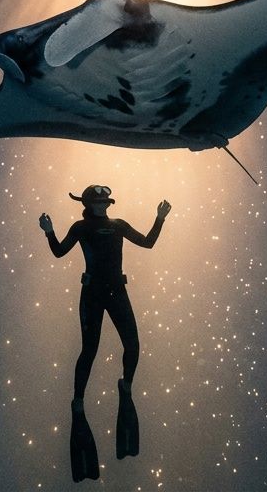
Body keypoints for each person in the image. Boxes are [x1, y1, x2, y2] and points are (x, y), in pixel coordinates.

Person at [39, 185, 172, 482]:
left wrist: (160, 217)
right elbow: (60, 252)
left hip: (116, 292)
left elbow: (148, 243)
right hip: (93, 293)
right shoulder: (81, 227)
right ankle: (78, 401)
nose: (103, 206)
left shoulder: (118, 225)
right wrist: (49, 231)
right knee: (90, 350)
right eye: (98, 202)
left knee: (133, 346)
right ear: (89, 204)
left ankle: (125, 386)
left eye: (105, 202)